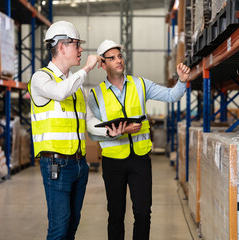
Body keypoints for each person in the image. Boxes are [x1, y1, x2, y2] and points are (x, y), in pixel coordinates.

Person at [87, 39, 190, 240]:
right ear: (102, 64)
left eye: (120, 56)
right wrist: (118, 132)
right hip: (113, 161)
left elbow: (171, 95)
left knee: (143, 213)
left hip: (140, 159)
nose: (119, 61)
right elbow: (92, 133)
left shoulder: (141, 84)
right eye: (112, 58)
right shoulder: (95, 95)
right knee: (115, 215)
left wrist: (183, 80)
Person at [28, 20, 104, 240]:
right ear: (61, 47)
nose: (81, 50)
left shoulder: (74, 86)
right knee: (59, 228)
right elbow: (59, 93)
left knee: (72, 225)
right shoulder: (41, 78)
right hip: (56, 165)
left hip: (79, 165)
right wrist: (87, 68)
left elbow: (88, 121)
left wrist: (113, 130)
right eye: (76, 44)